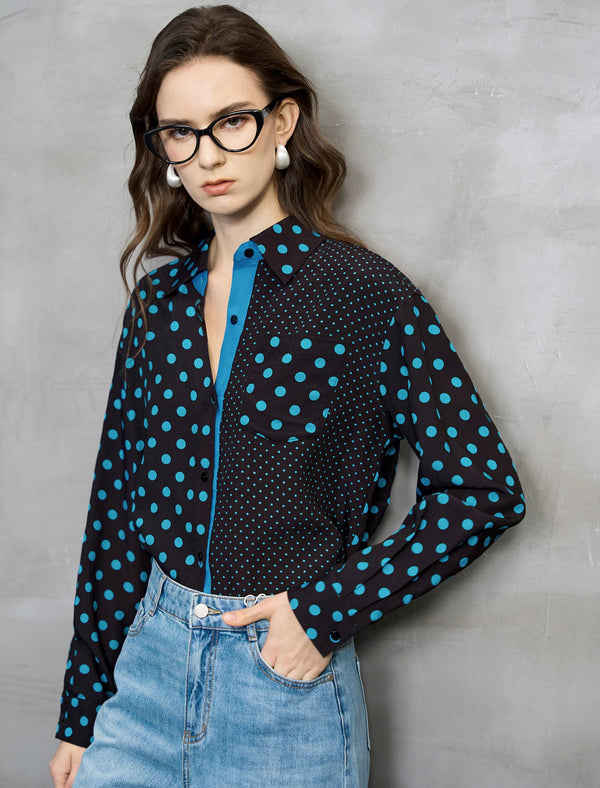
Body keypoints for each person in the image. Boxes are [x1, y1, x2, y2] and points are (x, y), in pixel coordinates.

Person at [49, 5, 526, 787]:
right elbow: (115, 516)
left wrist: (323, 612)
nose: (208, 154)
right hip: (141, 683)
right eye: (181, 133)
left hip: (281, 693)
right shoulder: (157, 306)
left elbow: (483, 489)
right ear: (162, 149)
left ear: (283, 121)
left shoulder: (366, 294)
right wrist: (82, 710)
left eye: (232, 121)